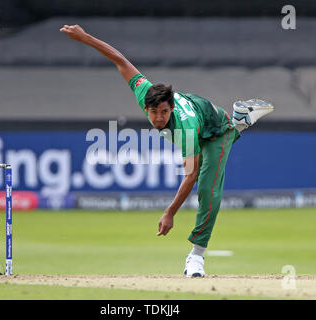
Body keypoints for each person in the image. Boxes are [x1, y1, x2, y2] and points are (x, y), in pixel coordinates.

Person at [60, 24, 274, 277]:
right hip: (201, 112)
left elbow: (190, 176)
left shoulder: (185, 130)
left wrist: (169, 212)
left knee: (208, 186)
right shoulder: (144, 92)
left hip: (216, 131)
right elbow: (119, 60)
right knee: (204, 175)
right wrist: (85, 38)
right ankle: (242, 119)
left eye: (163, 112)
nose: (158, 118)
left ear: (171, 108)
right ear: (146, 107)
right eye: (153, 112)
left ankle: (196, 257)